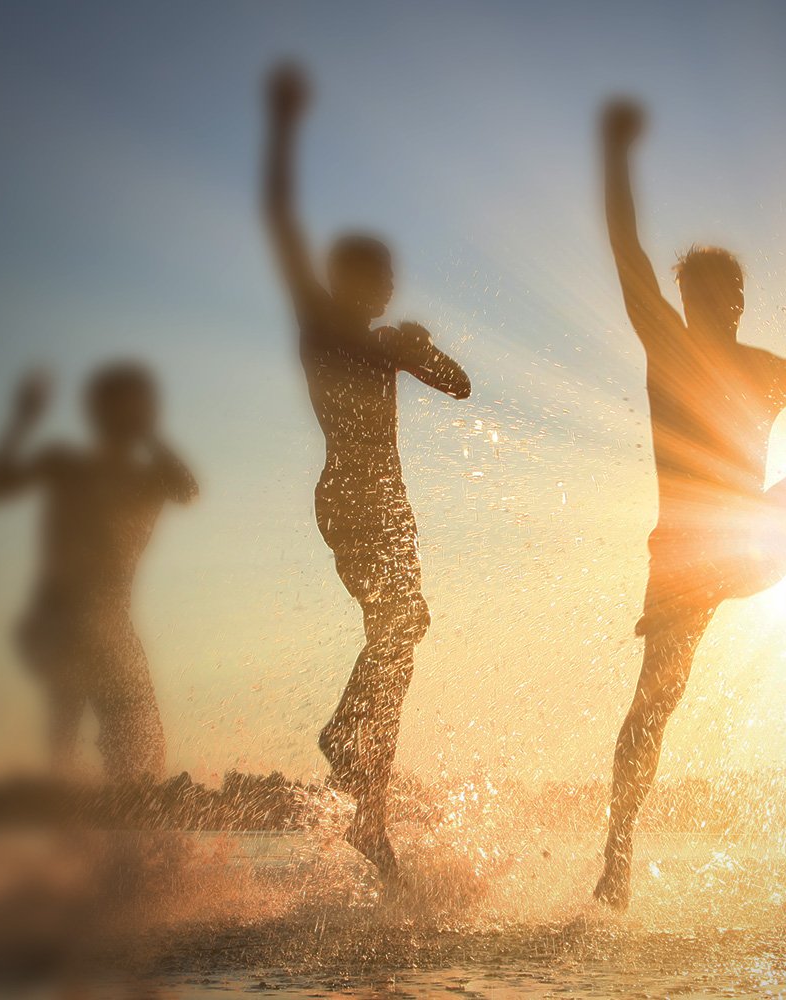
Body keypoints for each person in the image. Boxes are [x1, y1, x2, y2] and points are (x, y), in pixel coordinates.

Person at [595, 99, 786, 910]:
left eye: (734, 292)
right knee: (656, 703)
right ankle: (617, 855)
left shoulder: (772, 370)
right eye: (711, 292)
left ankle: (618, 854)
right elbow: (626, 249)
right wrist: (615, 154)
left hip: (748, 546)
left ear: (742, 301)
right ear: (689, 299)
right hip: (683, 555)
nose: (726, 303)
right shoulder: (667, 344)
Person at [262, 63, 471, 882]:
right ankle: (345, 745)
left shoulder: (388, 343)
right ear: (344, 280)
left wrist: (425, 351)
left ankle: (370, 816)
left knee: (400, 637)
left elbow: (461, 386)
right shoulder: (320, 321)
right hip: (352, 497)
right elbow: (279, 217)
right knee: (400, 628)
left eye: (388, 283)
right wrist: (284, 124)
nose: (384, 291)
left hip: (383, 502)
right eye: (374, 280)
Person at [0, 363, 197, 782]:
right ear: (98, 412)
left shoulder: (149, 479)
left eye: (139, 409)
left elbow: (187, 489)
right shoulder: (65, 465)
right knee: (70, 730)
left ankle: (111, 807)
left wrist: (152, 434)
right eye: (121, 410)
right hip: (60, 618)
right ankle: (66, 794)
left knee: (142, 754)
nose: (128, 420)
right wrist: (21, 421)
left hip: (113, 624)